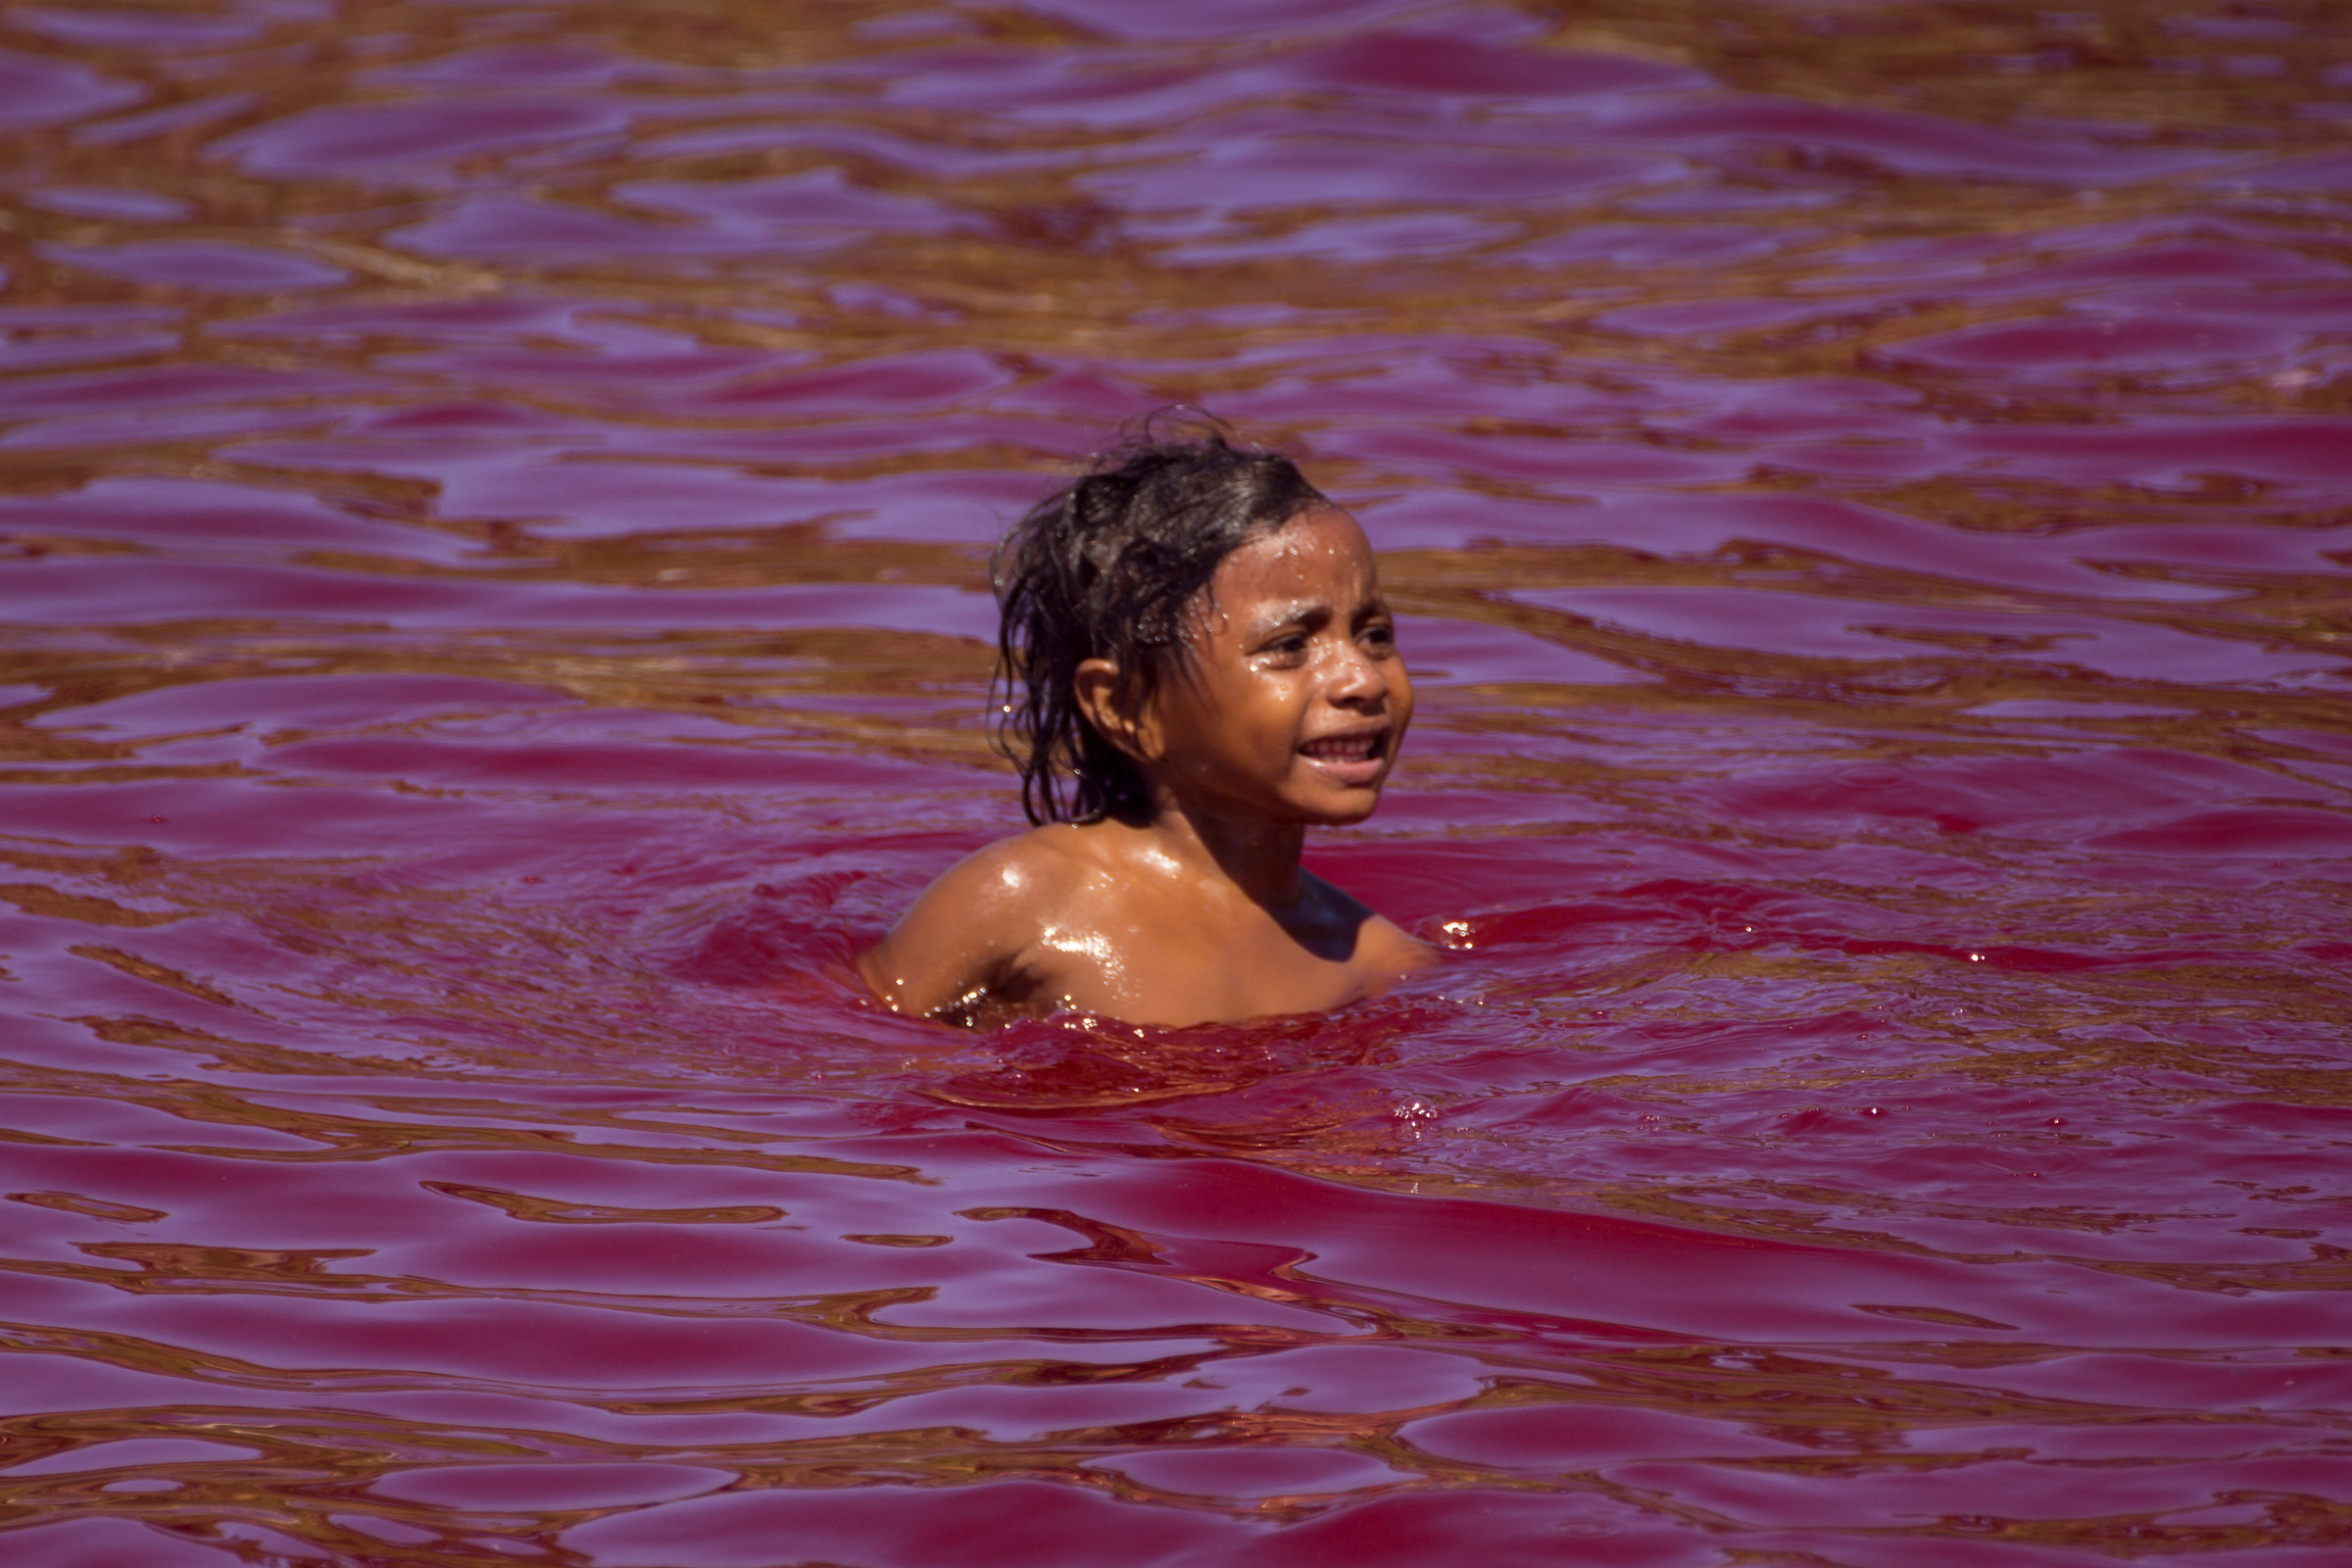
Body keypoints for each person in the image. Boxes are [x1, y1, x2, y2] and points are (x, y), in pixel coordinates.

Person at [856, 417, 1427, 1027]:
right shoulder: (1020, 902)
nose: (1362, 680)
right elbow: (851, 1060)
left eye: (1375, 635)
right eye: (1288, 645)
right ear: (1126, 706)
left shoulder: (1383, 965)